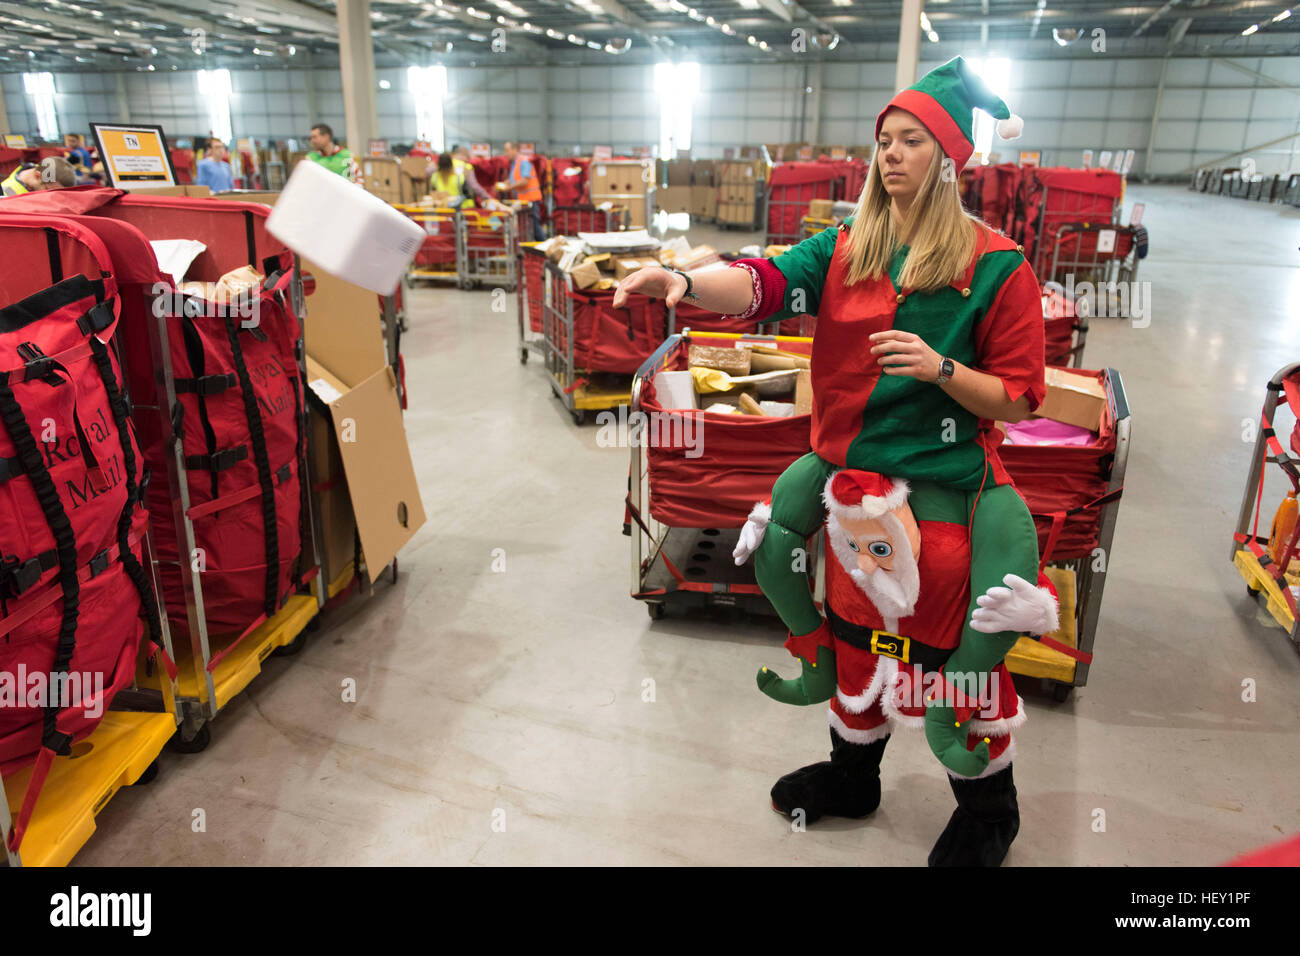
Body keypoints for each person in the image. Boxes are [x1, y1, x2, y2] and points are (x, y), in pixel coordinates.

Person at [615, 56, 1044, 866]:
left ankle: (990, 808)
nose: (892, 154)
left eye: (912, 140)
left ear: (947, 157)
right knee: (851, 632)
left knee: (962, 638)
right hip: (850, 480)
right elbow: (762, 282)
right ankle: (854, 775)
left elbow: (1021, 398)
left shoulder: (998, 265)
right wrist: (680, 278)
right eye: (885, 140)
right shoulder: (848, 248)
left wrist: (942, 371)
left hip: (948, 486)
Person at [496, 141, 543, 239]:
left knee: (535, 228)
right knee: (527, 228)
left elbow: (525, 181)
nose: (506, 153)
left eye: (507, 150)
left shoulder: (524, 161)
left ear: (515, 150)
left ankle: (544, 246)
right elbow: (514, 179)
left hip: (531, 200)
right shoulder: (515, 163)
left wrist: (508, 187)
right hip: (523, 201)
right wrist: (504, 184)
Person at [2, 156, 76, 196]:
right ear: (37, 176)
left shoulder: (42, 169)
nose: (52, 196)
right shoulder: (7, 193)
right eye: (48, 189)